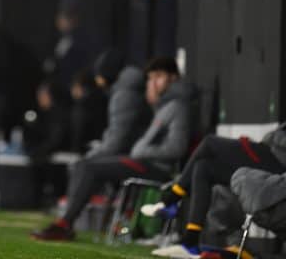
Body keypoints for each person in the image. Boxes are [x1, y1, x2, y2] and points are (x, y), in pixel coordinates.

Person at [31, 57, 196, 241]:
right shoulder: (164, 105)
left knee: (89, 167)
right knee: (85, 166)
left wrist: (141, 151)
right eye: (150, 78)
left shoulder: (178, 106)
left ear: (173, 78)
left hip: (157, 167)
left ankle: (65, 223)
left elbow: (176, 148)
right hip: (144, 161)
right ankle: (65, 222)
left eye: (158, 77)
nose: (152, 83)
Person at [141, 125, 286, 258]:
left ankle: (172, 199)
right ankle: (190, 240)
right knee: (204, 167)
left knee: (209, 143)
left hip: (278, 158)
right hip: (273, 151)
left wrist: (274, 138)